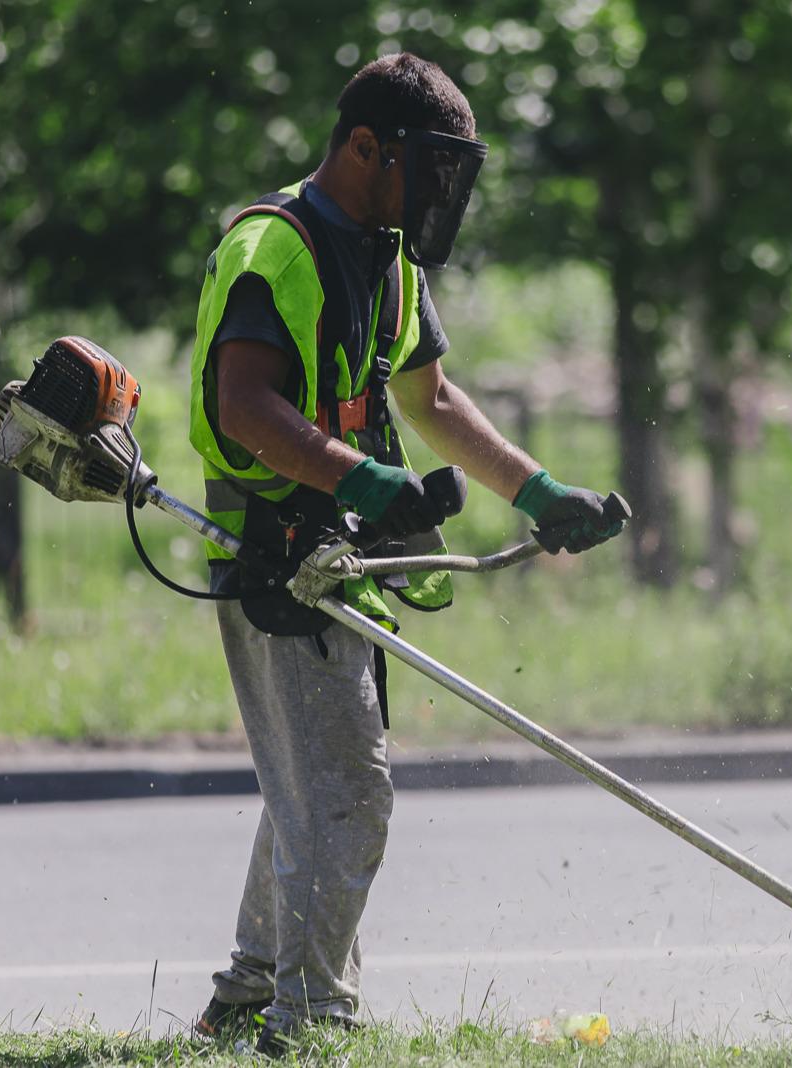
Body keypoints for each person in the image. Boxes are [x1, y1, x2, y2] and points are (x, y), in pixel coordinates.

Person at [183, 52, 626, 1055]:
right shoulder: (274, 249)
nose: (434, 195)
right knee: (347, 791)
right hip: (274, 550)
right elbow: (241, 405)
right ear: (362, 146)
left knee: (315, 781)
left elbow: (426, 399)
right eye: (421, 170)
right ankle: (310, 1023)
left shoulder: (391, 258)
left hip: (339, 544)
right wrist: (357, 478)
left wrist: (537, 490)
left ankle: (250, 997)